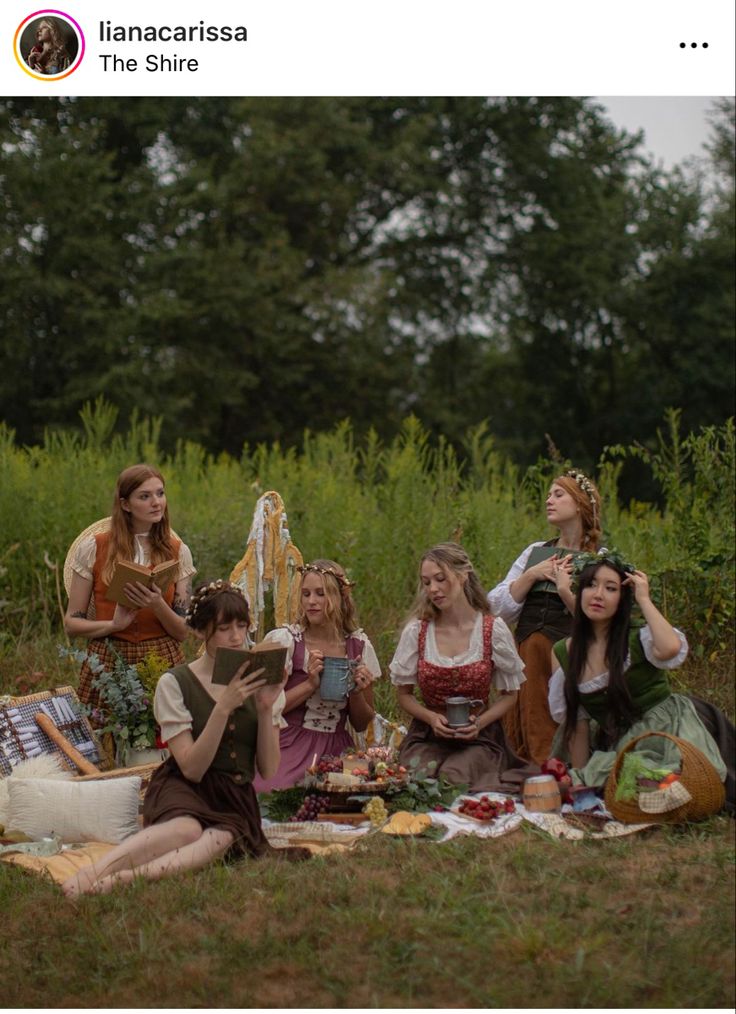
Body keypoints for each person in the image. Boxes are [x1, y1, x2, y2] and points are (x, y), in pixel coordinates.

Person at [62, 581, 307, 897]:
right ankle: (92, 874)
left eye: (241, 625)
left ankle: (122, 882)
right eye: (224, 628)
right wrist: (222, 708)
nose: (235, 636)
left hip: (233, 796)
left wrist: (263, 708)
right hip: (184, 786)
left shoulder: (261, 681)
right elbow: (191, 768)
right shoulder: (175, 683)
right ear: (203, 631)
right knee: (187, 829)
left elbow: (269, 769)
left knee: (220, 838)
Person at [547, 551, 728, 794]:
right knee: (613, 773)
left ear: (622, 598)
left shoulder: (637, 637)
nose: (598, 594)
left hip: (670, 729)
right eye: (590, 585)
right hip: (624, 743)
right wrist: (581, 777)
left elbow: (670, 647)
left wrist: (643, 598)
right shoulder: (566, 651)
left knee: (683, 777)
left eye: (611, 588)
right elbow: (577, 724)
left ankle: (668, 789)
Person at [389, 543, 536, 793]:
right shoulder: (418, 631)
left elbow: (510, 695)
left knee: (453, 777)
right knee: (419, 779)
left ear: (463, 574)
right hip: (428, 736)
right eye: (426, 582)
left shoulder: (492, 629)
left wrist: (479, 723)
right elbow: (404, 696)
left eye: (440, 579)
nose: (433, 589)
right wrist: (431, 718)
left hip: (480, 737)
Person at [488, 469, 602, 764]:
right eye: (549, 494)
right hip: (526, 655)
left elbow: (603, 622)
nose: (549, 500)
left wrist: (566, 591)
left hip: (568, 655)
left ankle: (555, 764)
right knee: (534, 648)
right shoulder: (535, 552)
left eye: (558, 494)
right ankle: (526, 761)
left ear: (578, 504)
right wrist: (531, 576)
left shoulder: (599, 559)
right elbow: (495, 609)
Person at [64, 464, 196, 714]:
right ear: (125, 504)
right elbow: (71, 624)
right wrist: (113, 626)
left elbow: (182, 632)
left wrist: (157, 604)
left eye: (160, 493)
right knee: (106, 743)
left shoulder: (178, 551)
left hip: (162, 659)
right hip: (108, 657)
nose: (156, 502)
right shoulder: (94, 548)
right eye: (145, 496)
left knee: (162, 743)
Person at [253, 560, 380, 792]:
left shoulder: (358, 646)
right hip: (288, 741)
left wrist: (356, 691)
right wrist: (309, 685)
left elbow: (361, 724)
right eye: (306, 594)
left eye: (320, 594)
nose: (311, 602)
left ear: (340, 598)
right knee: (277, 790)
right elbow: (265, 709)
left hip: (337, 746)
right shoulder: (286, 640)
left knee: (359, 791)